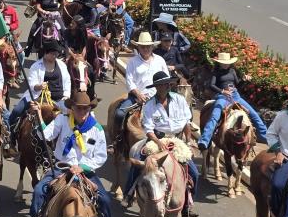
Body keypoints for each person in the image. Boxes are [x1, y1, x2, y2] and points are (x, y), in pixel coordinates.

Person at [29, 91, 111, 217]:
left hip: (86, 171)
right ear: (72, 108)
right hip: (62, 168)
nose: (82, 111)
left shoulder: (97, 129)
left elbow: (100, 156)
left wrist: (81, 167)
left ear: (90, 108)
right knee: (39, 191)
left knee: (105, 200)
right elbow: (46, 135)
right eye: (79, 108)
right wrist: (38, 115)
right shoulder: (62, 119)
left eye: (85, 108)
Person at [123, 70, 199, 205]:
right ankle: (128, 193)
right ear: (157, 87)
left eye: (168, 83)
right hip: (156, 139)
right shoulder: (150, 105)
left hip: (177, 140)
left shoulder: (180, 100)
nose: (167, 86)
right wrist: (158, 143)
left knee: (194, 172)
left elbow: (186, 123)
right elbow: (148, 129)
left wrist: (188, 141)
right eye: (163, 84)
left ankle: (188, 200)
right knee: (139, 163)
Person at [5, 40, 70, 155]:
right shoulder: (36, 66)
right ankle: (11, 141)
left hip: (59, 100)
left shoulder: (62, 65)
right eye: (53, 54)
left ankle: (68, 143)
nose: (55, 56)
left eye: (56, 54)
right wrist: (39, 86)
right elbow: (31, 84)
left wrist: (66, 96)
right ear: (46, 53)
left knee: (71, 116)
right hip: (38, 98)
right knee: (16, 111)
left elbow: (67, 81)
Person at [197, 52, 268, 150]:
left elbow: (237, 84)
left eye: (227, 63)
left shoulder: (232, 71)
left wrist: (243, 79)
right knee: (214, 115)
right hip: (222, 97)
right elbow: (211, 85)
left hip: (235, 96)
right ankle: (204, 140)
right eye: (224, 63)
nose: (226, 64)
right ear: (220, 63)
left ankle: (266, 137)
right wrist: (222, 91)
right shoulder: (216, 72)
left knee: (254, 114)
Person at [114, 32, 167, 132]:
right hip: (137, 97)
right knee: (119, 114)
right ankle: (117, 140)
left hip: (158, 97)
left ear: (152, 47)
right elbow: (129, 80)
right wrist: (138, 94)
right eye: (143, 47)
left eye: (148, 47)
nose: (146, 49)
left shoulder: (160, 60)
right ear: (138, 47)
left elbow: (166, 78)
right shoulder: (133, 62)